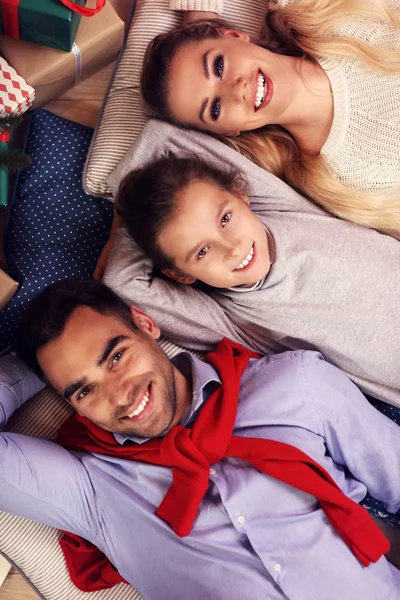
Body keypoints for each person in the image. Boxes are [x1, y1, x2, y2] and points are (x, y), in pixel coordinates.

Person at [0, 277, 399, 599]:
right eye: (83, 390)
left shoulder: (296, 384)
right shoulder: (93, 489)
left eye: (117, 356)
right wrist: (28, 368)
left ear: (146, 324)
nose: (119, 394)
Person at [102, 124, 400, 407]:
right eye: (203, 251)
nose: (232, 248)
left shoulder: (282, 209)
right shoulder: (234, 320)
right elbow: (121, 281)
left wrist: (127, 199)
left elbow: (160, 137)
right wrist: (130, 224)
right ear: (179, 274)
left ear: (240, 194)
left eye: (225, 219)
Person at [140, 0, 400, 237]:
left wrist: (199, 13)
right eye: (215, 108)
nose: (235, 90)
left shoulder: (318, 11)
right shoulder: (338, 184)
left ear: (233, 36)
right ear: (229, 131)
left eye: (219, 65)